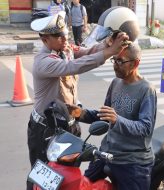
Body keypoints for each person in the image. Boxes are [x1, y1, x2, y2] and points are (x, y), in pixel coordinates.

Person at [27, 11, 128, 190]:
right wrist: (109, 52)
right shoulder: (43, 62)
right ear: (45, 40)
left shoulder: (64, 49)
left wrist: (107, 43)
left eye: (65, 34)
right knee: (43, 181)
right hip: (45, 130)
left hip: (67, 123)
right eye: (59, 37)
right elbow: (74, 66)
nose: (65, 39)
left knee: (69, 178)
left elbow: (87, 52)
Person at [68, 42, 157, 190]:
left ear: (135, 63)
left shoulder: (146, 89)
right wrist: (77, 113)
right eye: (114, 60)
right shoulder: (116, 83)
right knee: (80, 185)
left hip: (132, 160)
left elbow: (146, 128)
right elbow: (104, 115)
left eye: (120, 61)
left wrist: (117, 120)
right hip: (107, 152)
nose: (115, 65)